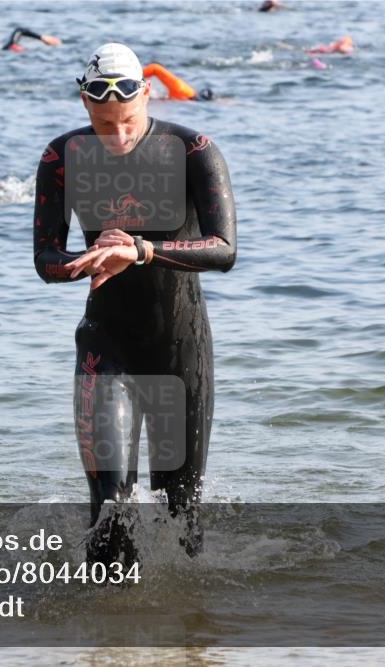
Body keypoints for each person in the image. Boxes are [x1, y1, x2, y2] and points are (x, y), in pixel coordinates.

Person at [33, 43, 236, 564]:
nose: (118, 135)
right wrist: (85, 260)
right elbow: (46, 257)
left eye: (127, 120)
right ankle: (104, 642)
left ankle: (189, 641)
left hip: (180, 348)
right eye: (104, 124)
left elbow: (224, 250)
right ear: (84, 105)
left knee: (180, 510)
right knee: (109, 508)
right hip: (107, 348)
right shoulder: (61, 157)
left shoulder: (194, 151)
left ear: (147, 95)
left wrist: (141, 250)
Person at [142, 63, 214, 101]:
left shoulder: (178, 88)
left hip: (187, 97)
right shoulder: (179, 88)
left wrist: (136, 74)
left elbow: (155, 68)